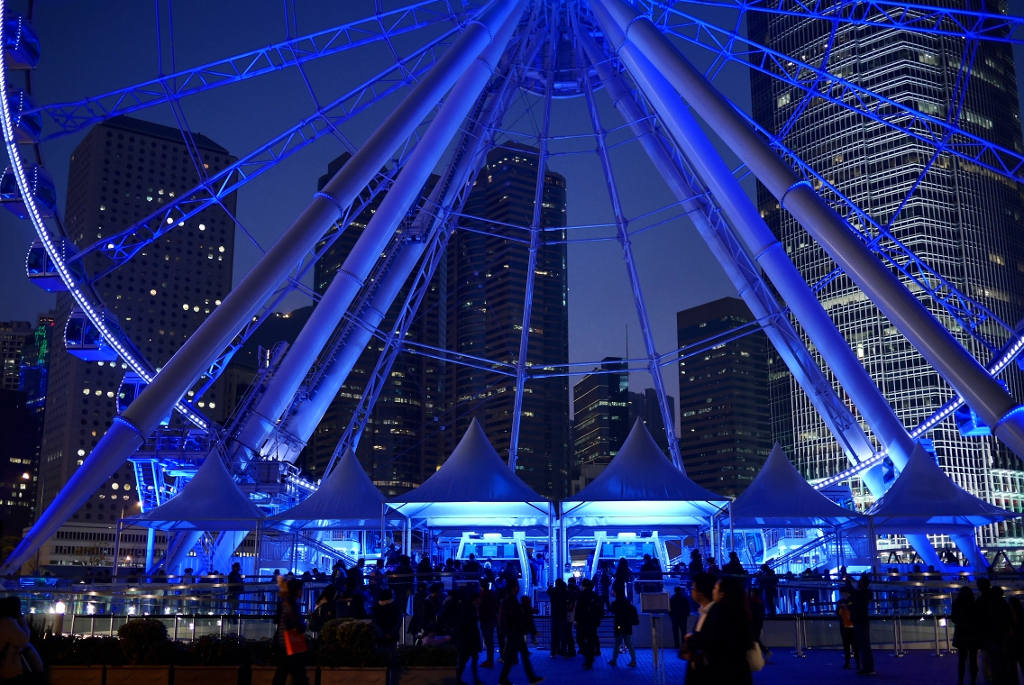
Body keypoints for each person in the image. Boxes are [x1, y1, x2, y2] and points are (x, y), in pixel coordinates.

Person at [497, 579, 543, 685]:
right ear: (514, 588)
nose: (519, 587)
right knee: (519, 656)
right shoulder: (511, 600)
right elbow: (515, 615)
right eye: (517, 586)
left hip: (513, 632)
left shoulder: (509, 599)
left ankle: (505, 679)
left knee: (516, 656)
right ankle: (530, 678)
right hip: (515, 632)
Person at [680, 572, 717, 683]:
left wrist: (692, 640)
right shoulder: (703, 612)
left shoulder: (714, 614)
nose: (691, 591)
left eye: (693, 588)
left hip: (708, 676)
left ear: (701, 593)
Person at [272, 577, 309, 685]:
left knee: (281, 674)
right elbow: (297, 623)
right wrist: (303, 625)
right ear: (297, 590)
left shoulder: (284, 602)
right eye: (301, 589)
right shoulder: (291, 604)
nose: (302, 591)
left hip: (282, 643)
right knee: (300, 676)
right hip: (291, 644)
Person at [455, 587, 484, 685]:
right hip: (468, 639)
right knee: (466, 660)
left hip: (467, 639)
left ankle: (460, 678)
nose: (480, 600)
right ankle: (459, 678)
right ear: (475, 599)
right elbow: (467, 624)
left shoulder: (468, 607)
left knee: (467, 659)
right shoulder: (470, 609)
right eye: (479, 598)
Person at [951, 586, 979, 685]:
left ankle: (961, 680)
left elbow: (953, 619)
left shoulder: (956, 604)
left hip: (961, 634)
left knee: (962, 659)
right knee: (973, 659)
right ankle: (973, 680)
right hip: (973, 635)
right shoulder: (974, 605)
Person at [849, 573, 875, 676]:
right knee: (864, 645)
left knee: (863, 645)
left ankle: (867, 668)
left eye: (859, 581)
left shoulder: (861, 594)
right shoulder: (865, 594)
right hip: (862, 621)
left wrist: (847, 581)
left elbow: (852, 592)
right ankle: (868, 667)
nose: (858, 583)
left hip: (860, 622)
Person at [575, 578, 603, 669]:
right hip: (593, 621)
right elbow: (600, 609)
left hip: (583, 621)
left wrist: (576, 620)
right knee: (591, 640)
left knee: (580, 639)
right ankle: (590, 659)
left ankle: (588, 657)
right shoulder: (595, 595)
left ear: (583, 585)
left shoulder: (582, 595)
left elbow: (578, 609)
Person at [608, 584, 638, 667]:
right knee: (629, 643)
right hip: (628, 625)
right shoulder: (628, 603)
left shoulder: (615, 603)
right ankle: (633, 660)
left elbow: (613, 611)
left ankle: (614, 660)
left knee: (617, 643)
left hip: (619, 625)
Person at [836, 586, 859, 670]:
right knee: (847, 645)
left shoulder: (853, 600)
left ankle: (857, 662)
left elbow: (855, 611)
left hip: (851, 625)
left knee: (854, 645)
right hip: (844, 625)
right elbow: (837, 613)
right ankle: (848, 662)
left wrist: (846, 608)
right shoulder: (840, 602)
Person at [479, 581, 499, 668]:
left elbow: (481, 607)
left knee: (488, 640)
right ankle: (490, 659)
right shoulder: (491, 593)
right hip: (492, 618)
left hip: (485, 619)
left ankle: (489, 660)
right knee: (490, 639)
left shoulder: (482, 594)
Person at [548, 579, 569, 657]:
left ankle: (552, 653)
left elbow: (548, 592)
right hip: (563, 615)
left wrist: (550, 587)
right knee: (563, 635)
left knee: (554, 635)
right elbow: (571, 596)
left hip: (554, 614)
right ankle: (564, 653)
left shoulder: (553, 591)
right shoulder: (564, 592)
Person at [565, 578, 579, 657]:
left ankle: (571, 650)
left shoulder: (570, 597)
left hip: (569, 617)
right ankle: (572, 650)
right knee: (570, 634)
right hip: (573, 616)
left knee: (568, 634)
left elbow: (570, 608)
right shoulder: (577, 592)